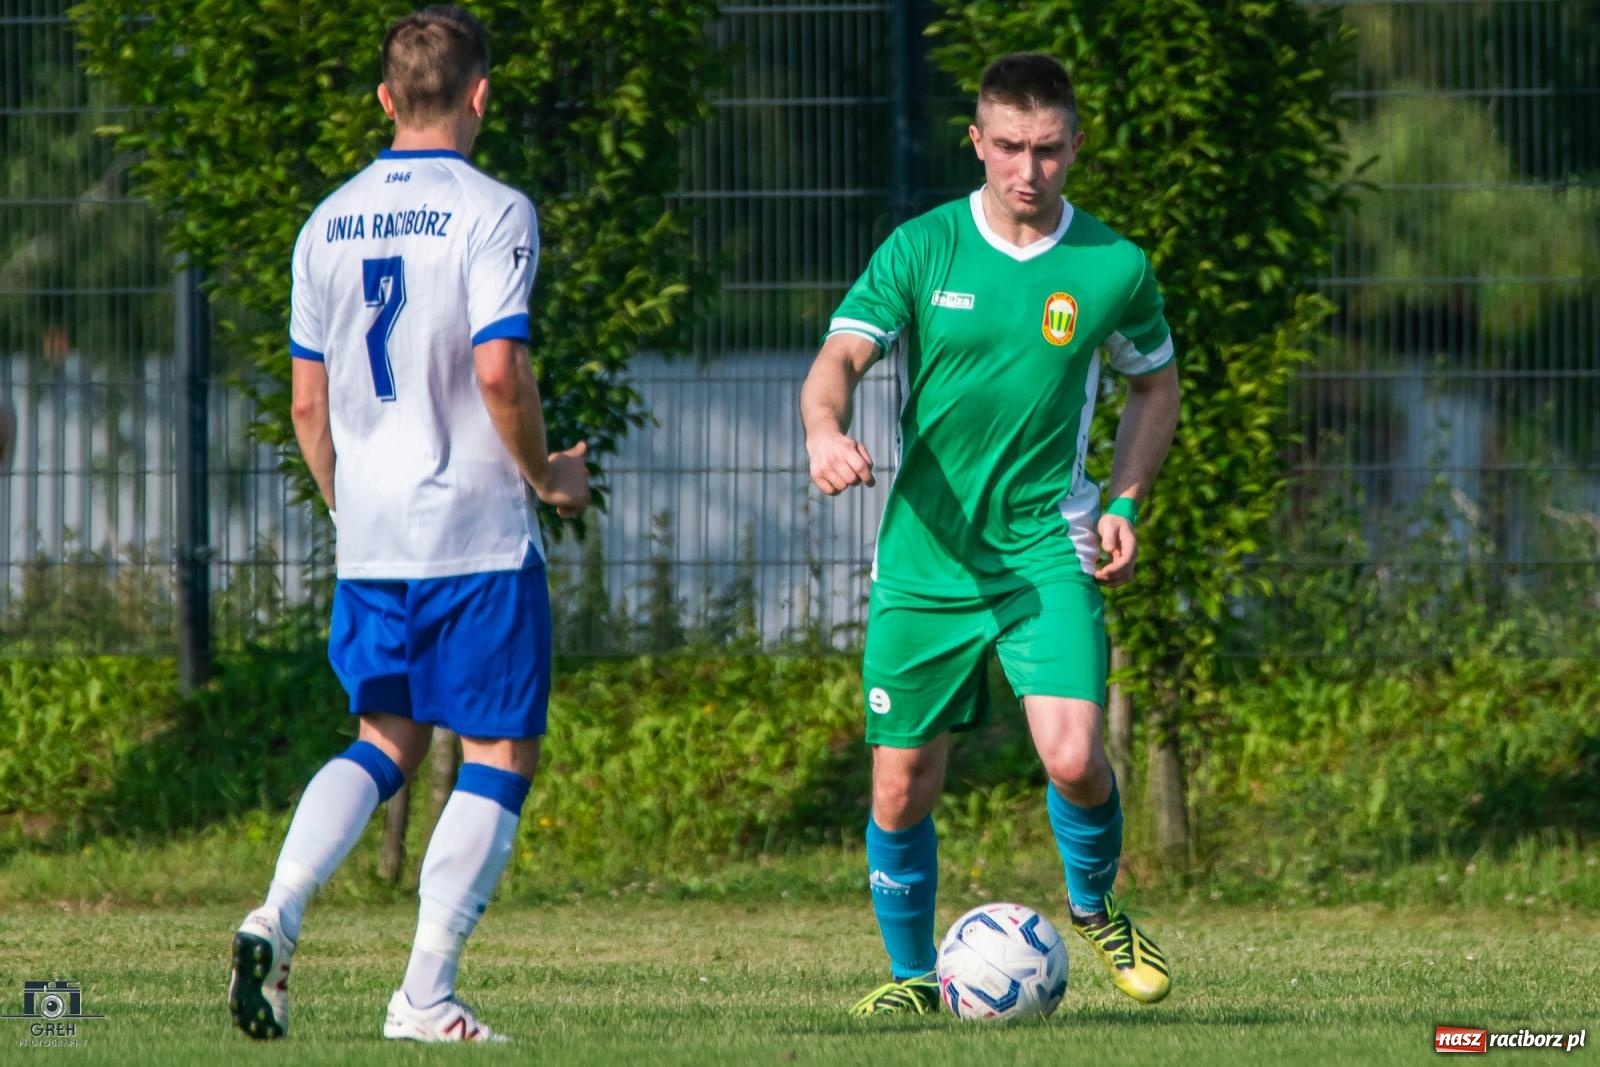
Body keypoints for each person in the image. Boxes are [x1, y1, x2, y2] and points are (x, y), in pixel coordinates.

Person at [227, 6, 588, 1044]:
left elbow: (306, 403)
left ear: (385, 100)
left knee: (382, 734)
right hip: (474, 532)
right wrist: (547, 476)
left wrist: (354, 507)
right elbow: (497, 368)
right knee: (500, 749)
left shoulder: (324, 221)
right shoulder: (494, 208)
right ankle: (424, 991)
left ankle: (276, 909)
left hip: (374, 537)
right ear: (480, 95)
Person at [800, 52, 1181, 1016]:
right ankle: (912, 979)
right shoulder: (923, 248)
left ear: (1074, 147)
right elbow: (839, 356)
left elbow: (1154, 383)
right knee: (899, 788)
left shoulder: (1112, 266)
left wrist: (1126, 500)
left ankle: (1094, 905)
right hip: (925, 558)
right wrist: (823, 429)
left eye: (1047, 150)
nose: (1027, 170)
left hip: (1044, 547)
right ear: (976, 142)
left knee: (1073, 756)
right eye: (1008, 147)